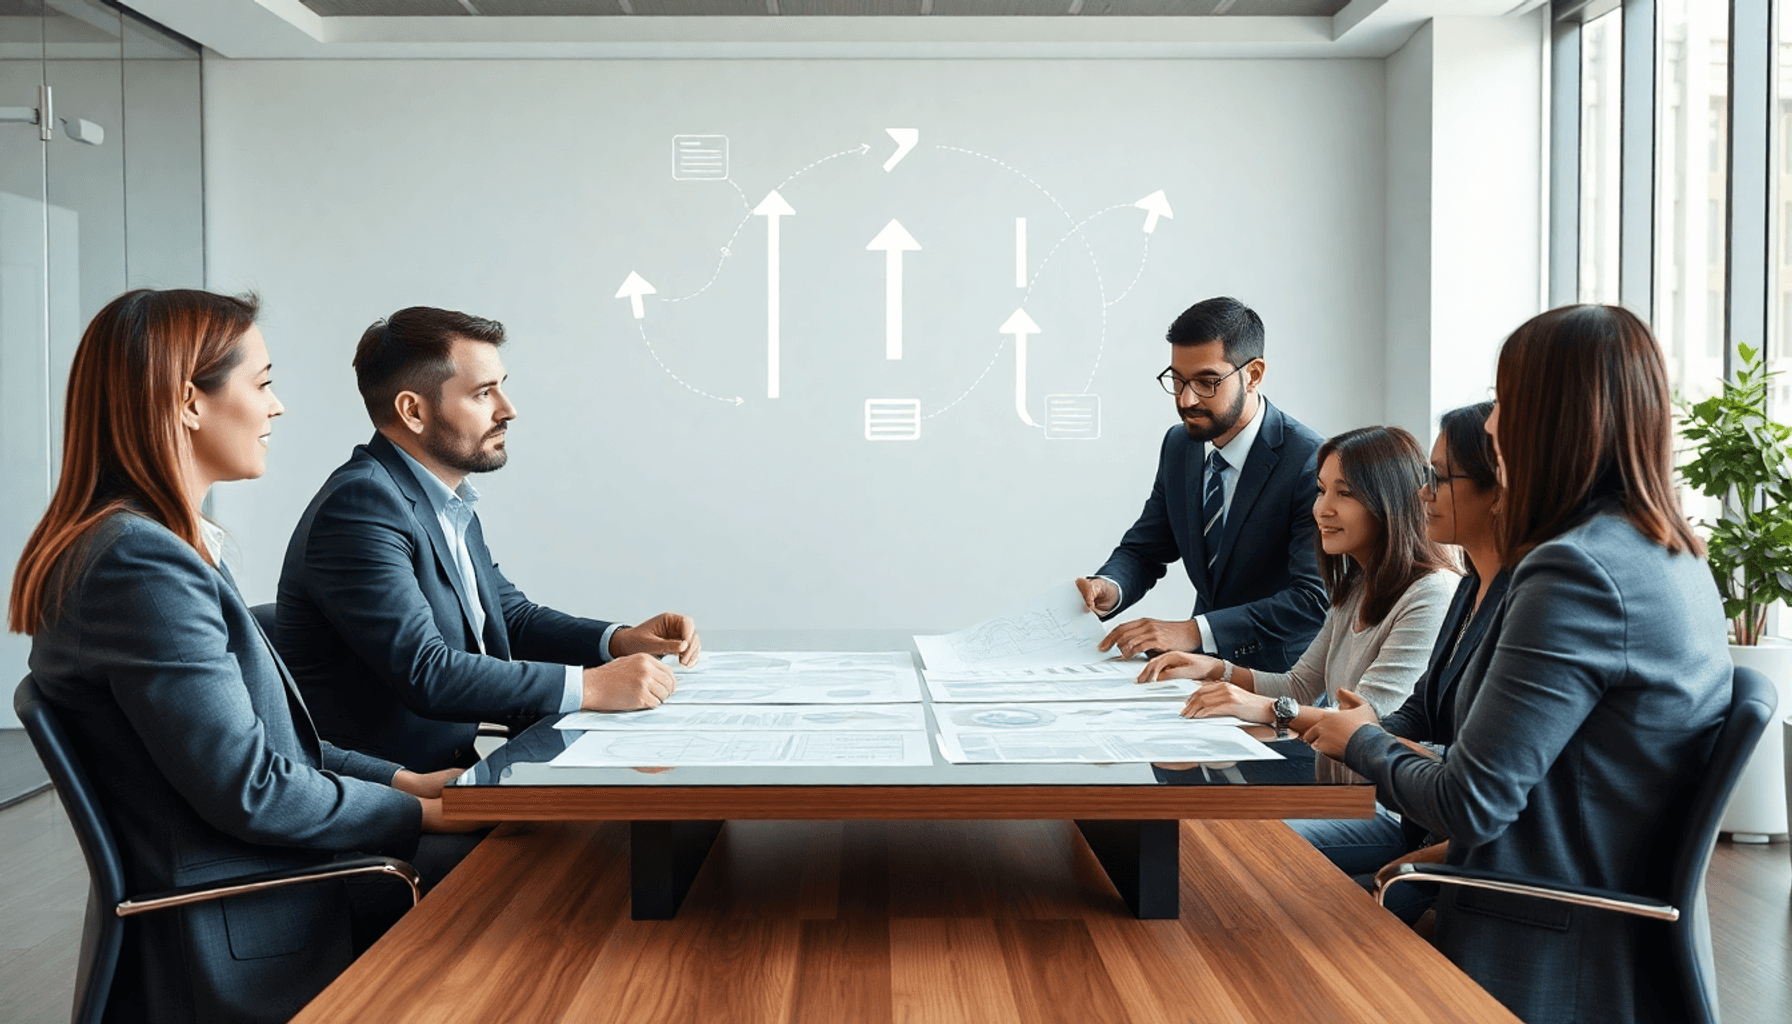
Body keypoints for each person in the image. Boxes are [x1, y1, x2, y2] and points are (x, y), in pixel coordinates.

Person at [8, 289, 470, 1024]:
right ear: (189, 401)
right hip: (254, 921)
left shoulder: (155, 547)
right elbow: (253, 787)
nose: (276, 407)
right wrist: (416, 814)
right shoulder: (141, 566)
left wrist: (406, 781)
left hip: (265, 887)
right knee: (524, 875)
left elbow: (268, 746)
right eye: (261, 384)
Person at [1305, 305, 1731, 1024]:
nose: (1495, 422)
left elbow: (1470, 802)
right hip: (1591, 921)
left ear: (1547, 417)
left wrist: (1364, 741)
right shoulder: (1669, 553)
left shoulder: (1575, 573)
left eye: (1503, 400)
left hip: (1543, 933)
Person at [276, 306, 700, 773]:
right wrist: (592, 686)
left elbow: (509, 617)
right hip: (390, 793)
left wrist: (618, 641)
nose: (507, 409)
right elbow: (428, 672)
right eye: (483, 393)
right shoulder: (361, 507)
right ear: (413, 411)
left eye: (501, 386)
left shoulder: (441, 498)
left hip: (458, 771)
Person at [1285, 403, 1507, 917]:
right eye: (1321, 490)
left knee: (1261, 861)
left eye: (1438, 479)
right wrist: (1370, 730)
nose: (1423, 493)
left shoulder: (1444, 591)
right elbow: (1415, 712)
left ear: (1499, 489)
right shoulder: (1469, 588)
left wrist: (1364, 735)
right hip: (1412, 815)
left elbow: (1476, 779)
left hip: (1427, 829)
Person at [1135, 426, 1457, 747]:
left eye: (1344, 493)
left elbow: (1367, 720)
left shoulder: (1431, 594)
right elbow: (1299, 686)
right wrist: (1215, 670)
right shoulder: (1358, 583)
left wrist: (1264, 708)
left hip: (1381, 777)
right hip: (1344, 770)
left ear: (1390, 503)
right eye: (1321, 490)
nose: (1322, 509)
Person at [1079, 296, 1328, 673]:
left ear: (1254, 374)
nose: (1186, 399)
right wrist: (1110, 587)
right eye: (1177, 381)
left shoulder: (1311, 460)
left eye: (1207, 382)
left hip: (1278, 682)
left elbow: (1311, 600)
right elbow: (1146, 549)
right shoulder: (1179, 446)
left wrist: (1194, 631)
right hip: (1197, 672)